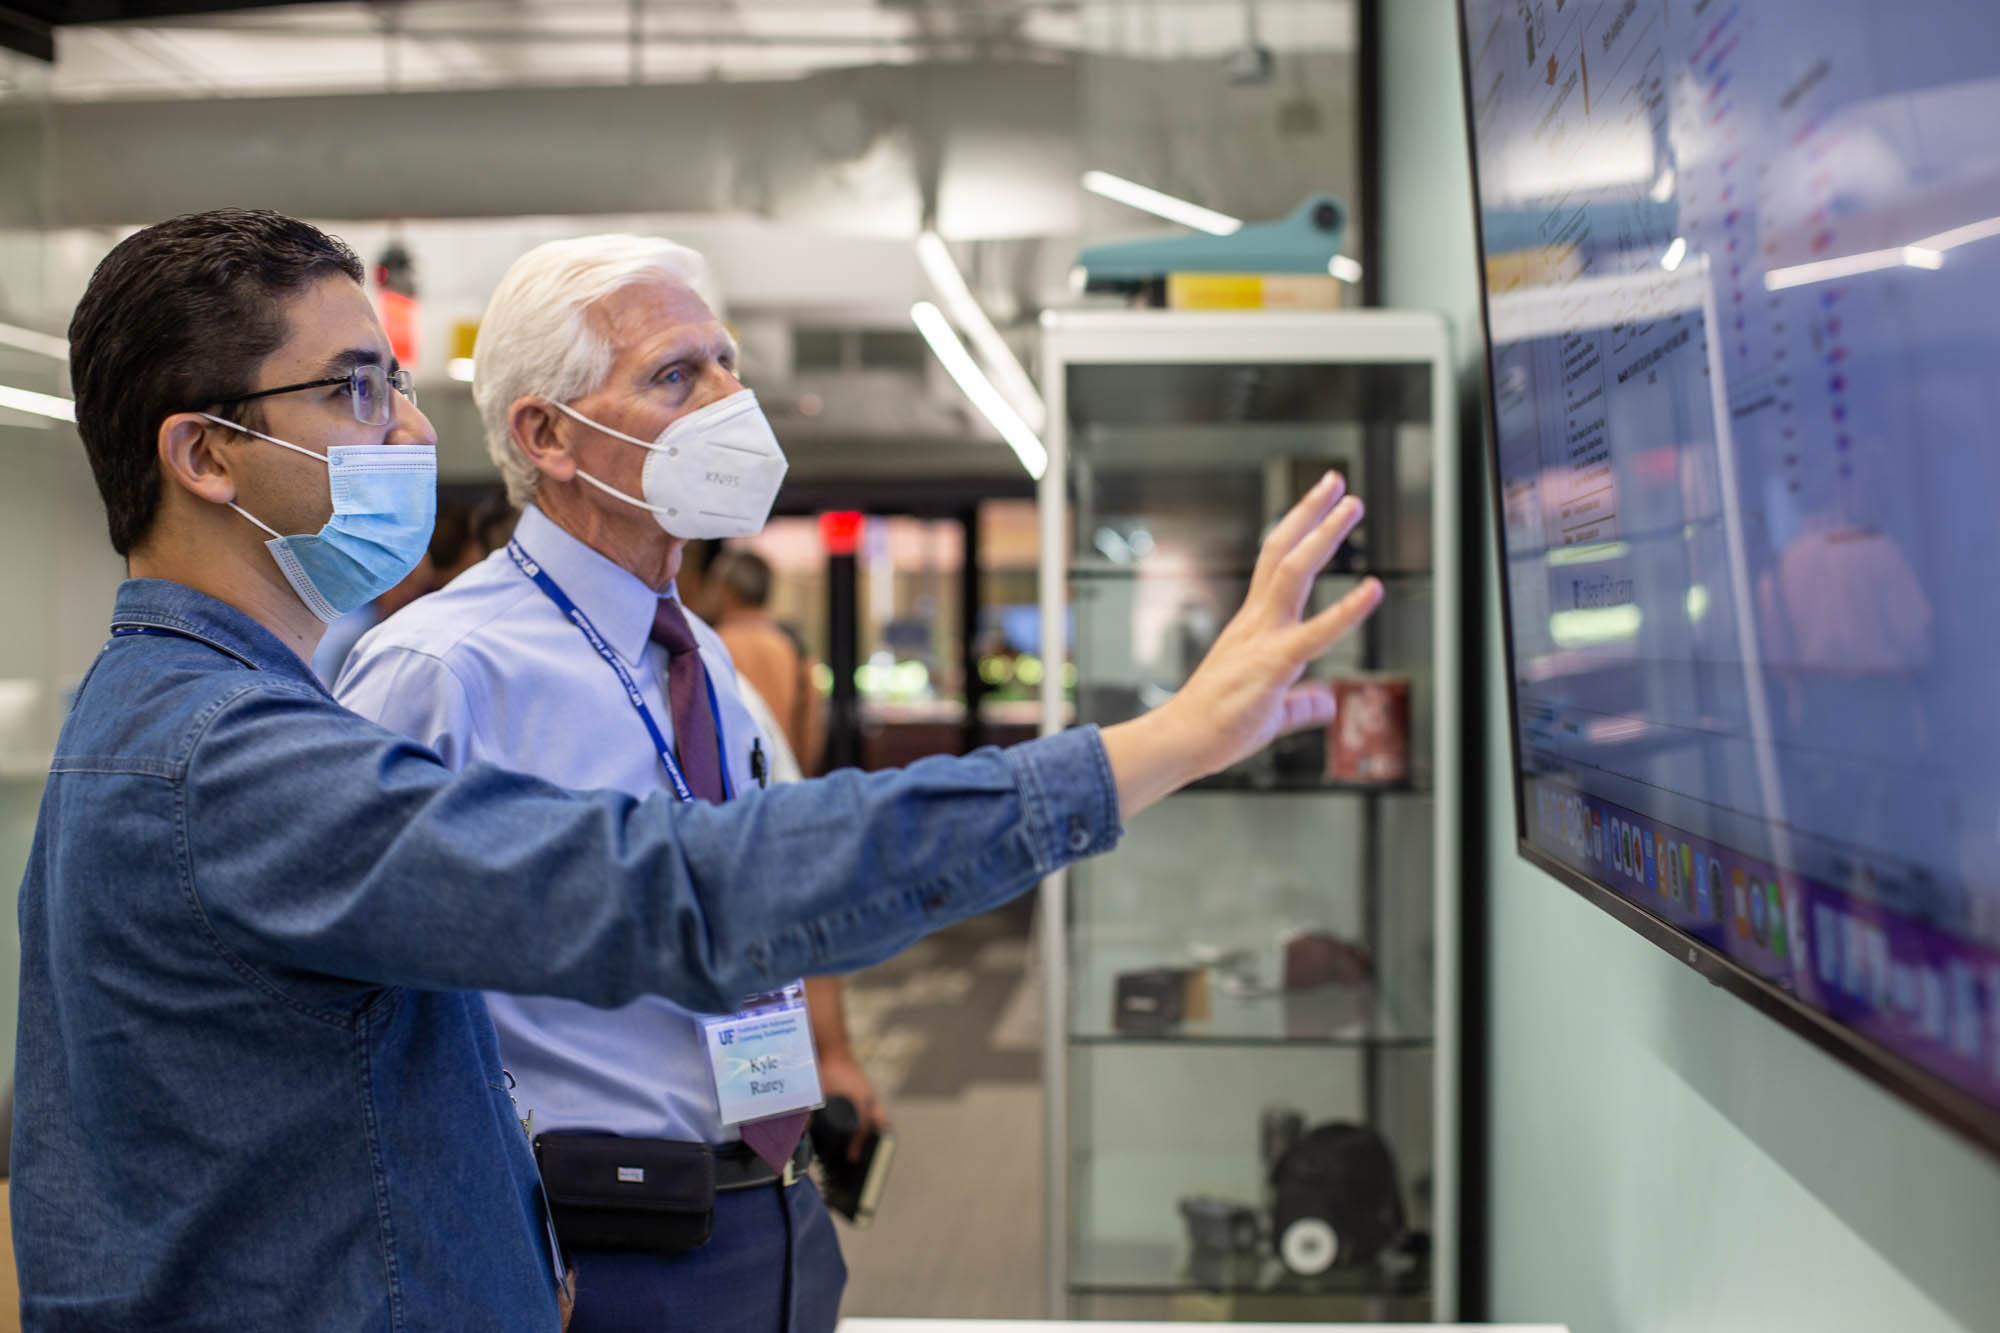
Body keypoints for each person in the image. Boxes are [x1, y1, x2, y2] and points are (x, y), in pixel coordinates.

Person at [11, 208, 1379, 1331]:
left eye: (399, 385)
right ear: (201, 452)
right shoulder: (231, 761)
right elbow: (677, 895)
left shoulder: (196, 724)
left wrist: (511, 1229)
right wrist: (1161, 745)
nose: (413, 434)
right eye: (356, 391)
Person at [335, 235, 880, 1332]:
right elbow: (351, 1006)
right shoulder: (442, 671)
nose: (731, 400)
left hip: (769, 1212)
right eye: (677, 375)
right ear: (546, 435)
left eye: (727, 364)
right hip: (587, 1244)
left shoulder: (705, 659)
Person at [700, 546, 826, 777]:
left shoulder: (710, 647)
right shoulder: (793, 648)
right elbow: (810, 732)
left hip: (733, 785)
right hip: (784, 783)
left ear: (729, 590)